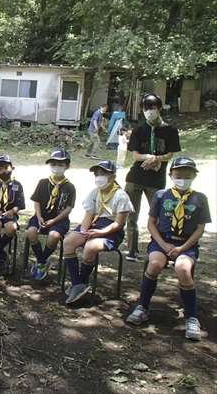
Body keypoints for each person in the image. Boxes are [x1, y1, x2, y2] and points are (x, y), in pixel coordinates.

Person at [126, 157, 211, 341]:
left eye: (187, 176)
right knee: (154, 264)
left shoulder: (200, 198)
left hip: (186, 244)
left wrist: (181, 249)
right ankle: (142, 307)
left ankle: (191, 318)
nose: (182, 179)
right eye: (178, 175)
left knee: (182, 268)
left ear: (194, 176)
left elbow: (200, 228)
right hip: (161, 241)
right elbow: (151, 223)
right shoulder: (161, 195)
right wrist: (164, 245)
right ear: (171, 175)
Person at [63, 160, 134, 304]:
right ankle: (77, 283)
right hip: (93, 225)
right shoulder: (94, 193)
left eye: (103, 174)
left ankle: (81, 281)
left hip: (110, 231)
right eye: (97, 174)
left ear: (112, 177)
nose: (99, 177)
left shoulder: (121, 196)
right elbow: (88, 216)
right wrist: (84, 231)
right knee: (68, 241)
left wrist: (98, 234)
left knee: (91, 247)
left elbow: (118, 224)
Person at [124, 94, 181, 262]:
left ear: (159, 108)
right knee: (132, 215)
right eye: (146, 108)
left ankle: (158, 248)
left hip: (156, 180)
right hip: (136, 177)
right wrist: (148, 156)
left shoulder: (170, 130)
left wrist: (158, 159)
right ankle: (132, 249)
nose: (149, 111)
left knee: (159, 216)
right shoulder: (139, 130)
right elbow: (135, 155)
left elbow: (170, 153)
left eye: (152, 107)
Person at [27, 148, 76, 281]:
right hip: (41, 216)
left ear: (67, 167)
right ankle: (42, 262)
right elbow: (36, 200)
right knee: (31, 232)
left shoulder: (70, 187)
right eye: (53, 164)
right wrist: (39, 216)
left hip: (59, 220)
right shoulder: (43, 182)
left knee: (54, 236)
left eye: (60, 165)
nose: (56, 168)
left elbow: (68, 208)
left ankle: (41, 261)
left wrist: (54, 221)